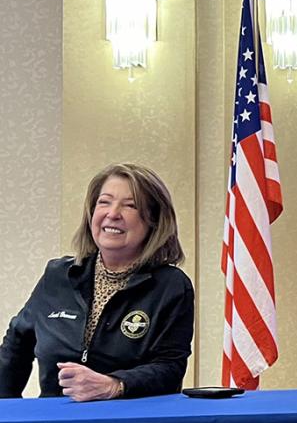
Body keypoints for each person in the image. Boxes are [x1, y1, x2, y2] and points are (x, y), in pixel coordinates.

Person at [0, 163, 194, 402]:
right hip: (54, 422)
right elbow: (15, 348)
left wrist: (115, 385)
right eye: (104, 202)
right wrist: (7, 413)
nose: (113, 213)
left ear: (153, 221)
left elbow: (170, 367)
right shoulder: (57, 275)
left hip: (130, 422)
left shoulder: (171, 286)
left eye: (130, 205)